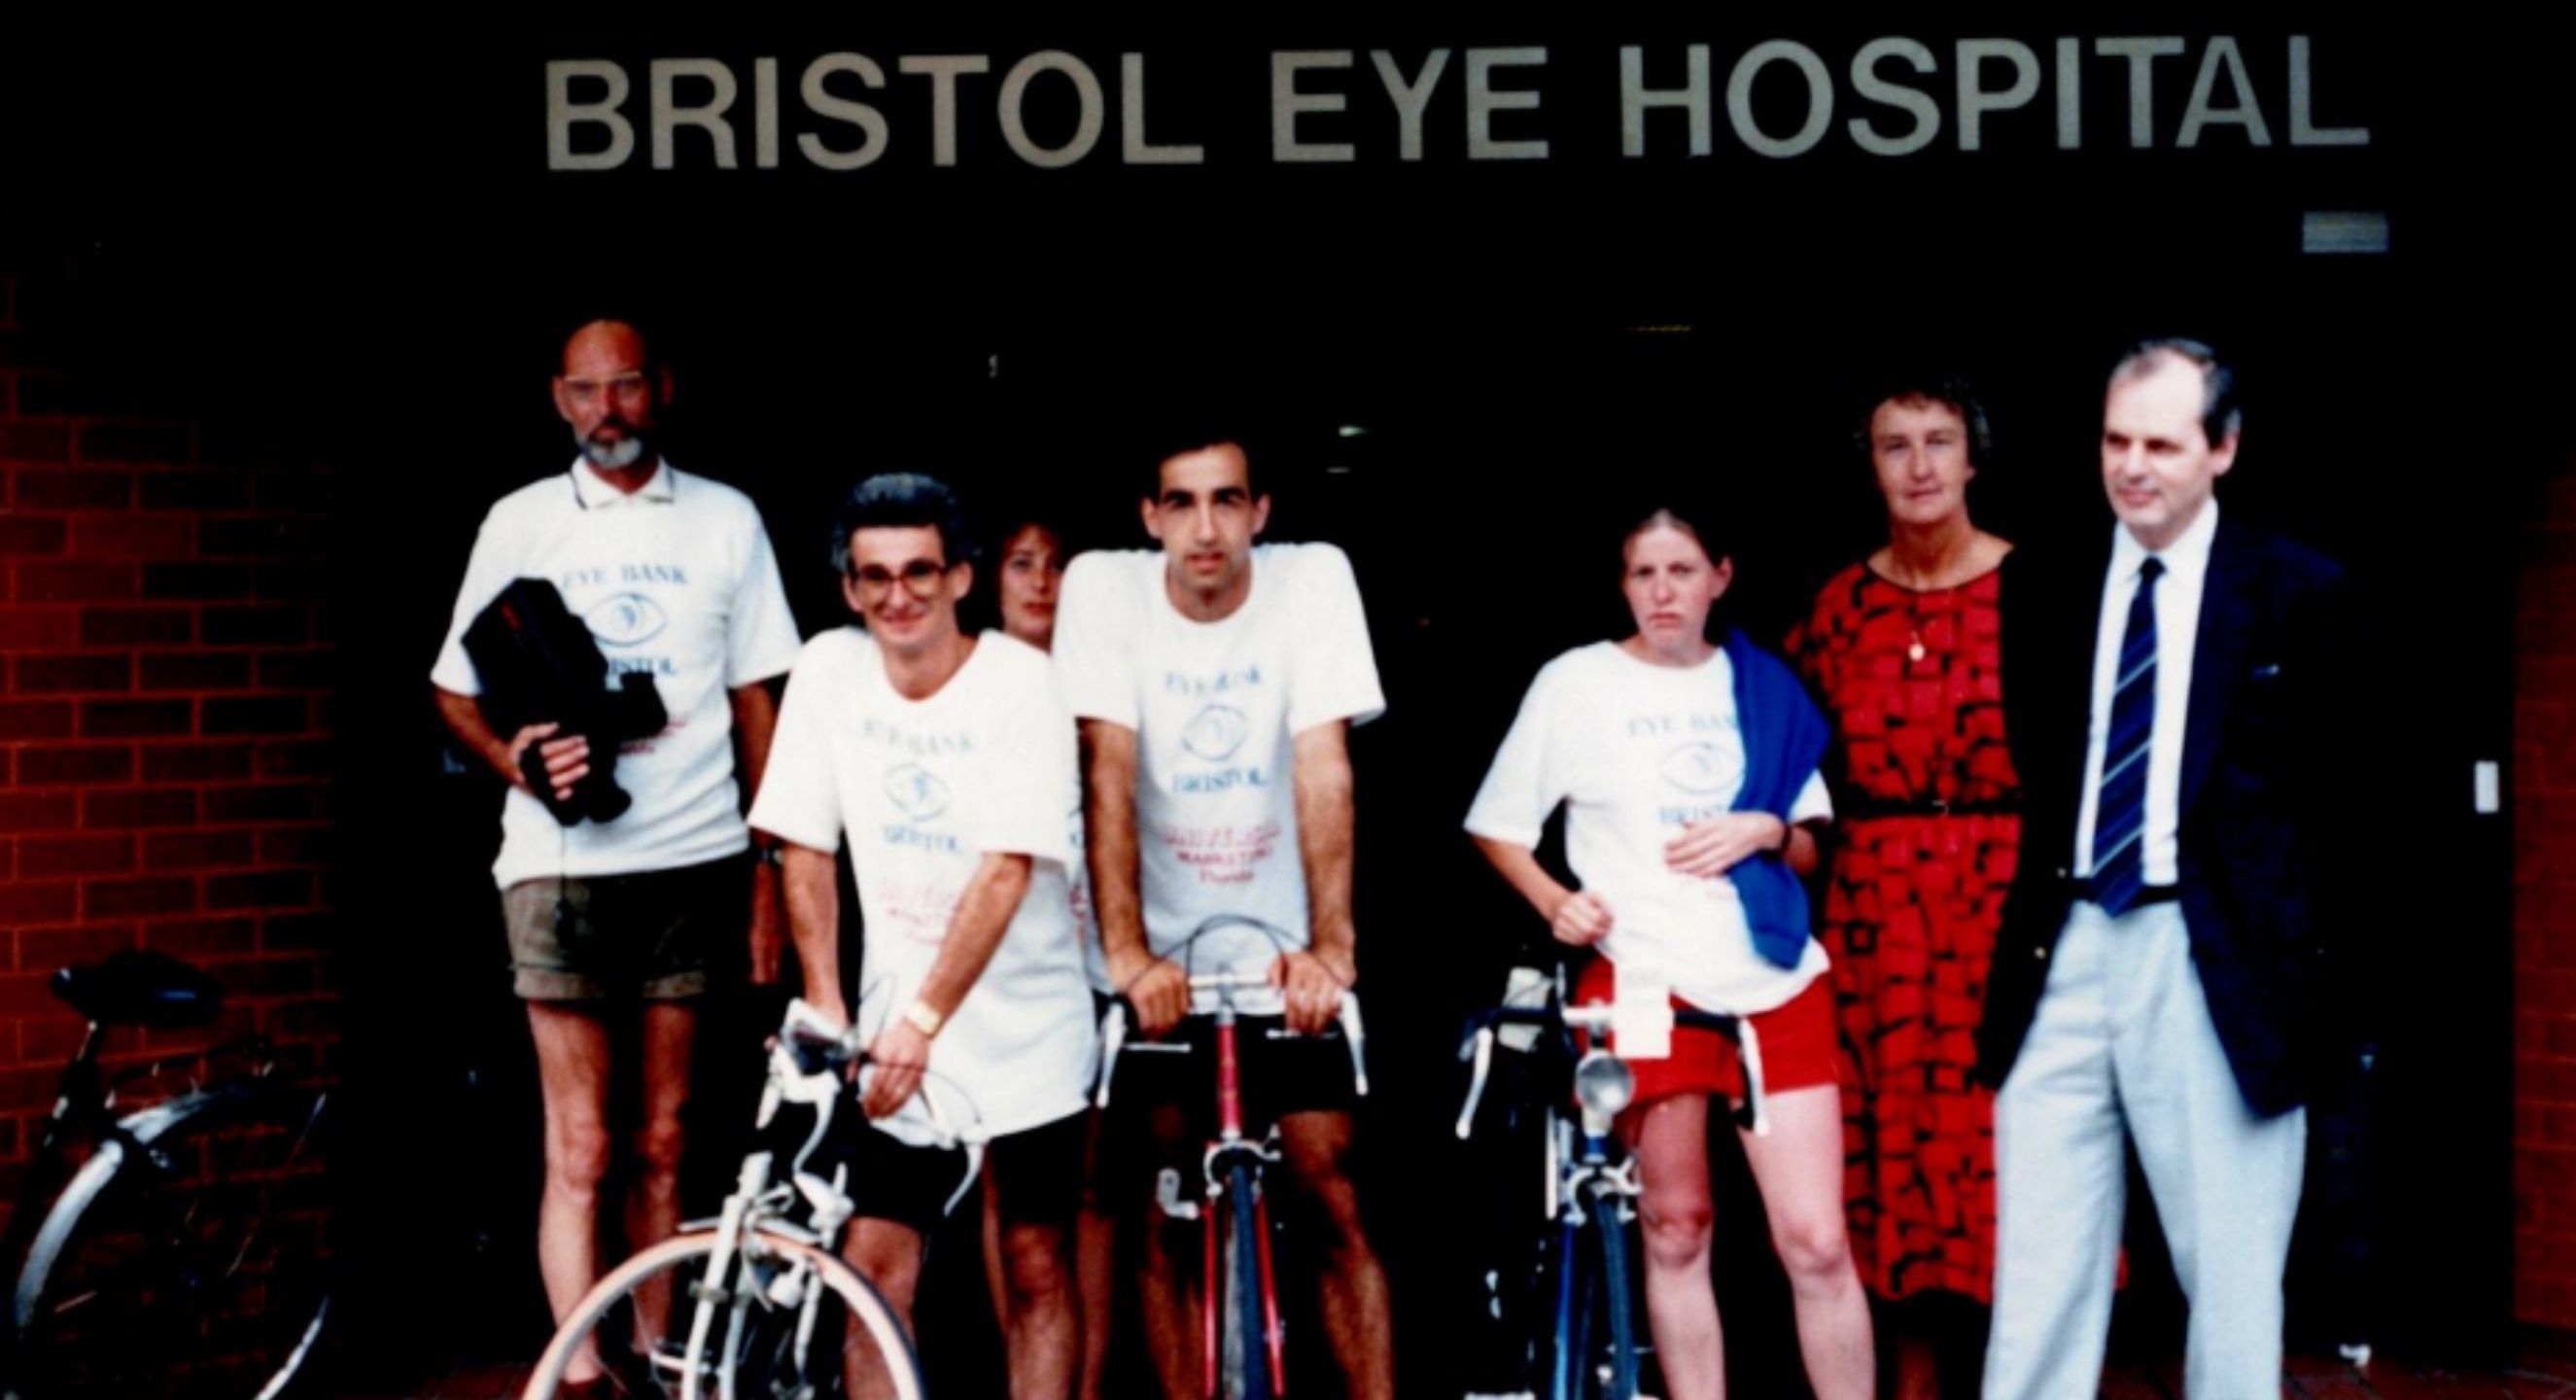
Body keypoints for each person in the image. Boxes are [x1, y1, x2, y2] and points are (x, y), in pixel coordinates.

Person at [430, 317, 800, 1391]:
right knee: (580, 1142)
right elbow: (451, 687)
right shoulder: (521, 520)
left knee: (664, 1139)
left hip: (694, 854)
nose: (608, 410)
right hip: (557, 865)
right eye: (587, 391)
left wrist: (769, 868)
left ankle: (660, 1354)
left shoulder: (727, 518)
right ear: (558, 400)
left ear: (662, 389)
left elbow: (755, 702)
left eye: (627, 386)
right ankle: (579, 1372)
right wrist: (516, 758)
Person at [1976, 339, 2351, 1399]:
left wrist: (2309, 985)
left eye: (2160, 443)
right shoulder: (2041, 581)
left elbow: (2342, 807)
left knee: (2229, 1275)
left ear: (2222, 449)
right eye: (2114, 440)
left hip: (2221, 957)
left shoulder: (2296, 590)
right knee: (2040, 1268)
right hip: (2064, 944)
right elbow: (2044, 767)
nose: (2131, 466)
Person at [1466, 503, 1874, 1400]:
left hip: (1773, 978)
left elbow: (1812, 843)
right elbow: (1498, 827)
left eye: (1681, 571)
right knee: (1677, 1226)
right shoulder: (1576, 683)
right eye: (1644, 573)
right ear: (1621, 583)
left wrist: (1765, 829)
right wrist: (1558, 903)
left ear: (1720, 576)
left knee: (1815, 1239)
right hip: (1646, 978)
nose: (1662, 592)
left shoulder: (1762, 685)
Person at [1053, 428, 1396, 1400]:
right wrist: (1125, 955)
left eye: (1227, 501)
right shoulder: (1102, 588)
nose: (1206, 528)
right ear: (1149, 516)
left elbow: (1323, 765)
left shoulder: (1313, 578)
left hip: (1282, 949)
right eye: (1182, 503)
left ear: (1261, 511)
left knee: (1334, 1191)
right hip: (1161, 952)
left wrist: (1332, 947)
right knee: (1166, 1200)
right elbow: (1107, 772)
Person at [748, 473, 1097, 1400]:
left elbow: (1004, 870)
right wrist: (826, 1000)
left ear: (959, 580)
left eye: (918, 572)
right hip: (893, 1034)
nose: (897, 596)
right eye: (875, 577)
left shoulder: (1021, 684)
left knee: (1033, 1262)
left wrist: (928, 1017)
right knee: (871, 1271)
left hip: (1026, 1031)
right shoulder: (828, 668)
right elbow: (803, 847)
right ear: (850, 589)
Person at [1786, 375, 2015, 1397]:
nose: (1918, 467)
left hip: (2001, 904)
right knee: (1887, 1152)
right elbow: (1793, 771)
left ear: (1972, 459)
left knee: (2005, 1142)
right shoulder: (1839, 607)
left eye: (1938, 443)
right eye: (1894, 445)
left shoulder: (2031, 590)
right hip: (1877, 915)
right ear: (1869, 464)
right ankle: (1909, 1378)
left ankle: (2022, 1369)